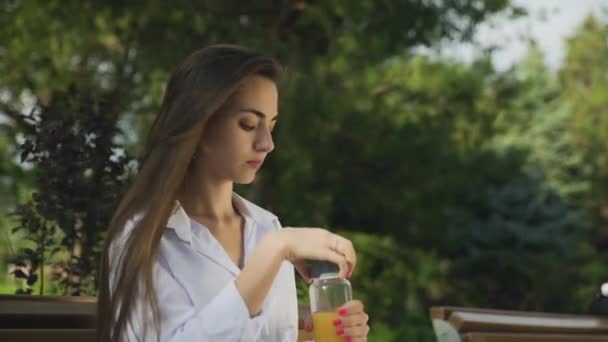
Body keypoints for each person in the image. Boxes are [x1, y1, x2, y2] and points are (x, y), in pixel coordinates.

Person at [97, 45, 370, 342]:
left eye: (271, 125)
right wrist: (274, 251)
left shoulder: (267, 227)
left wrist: (326, 336)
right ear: (199, 125)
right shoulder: (144, 237)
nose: (267, 143)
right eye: (248, 124)